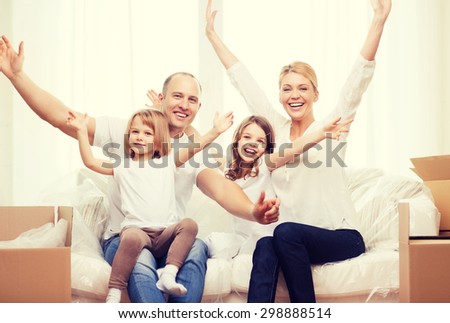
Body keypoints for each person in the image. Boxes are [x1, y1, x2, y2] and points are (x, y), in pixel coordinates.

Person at [0, 35, 280, 303]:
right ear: (162, 97)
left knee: (196, 249)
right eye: (177, 96)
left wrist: (254, 212)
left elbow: (221, 189)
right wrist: (17, 76)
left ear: (198, 107)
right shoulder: (132, 132)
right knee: (141, 262)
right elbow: (63, 118)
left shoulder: (192, 150)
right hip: (127, 237)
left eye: (192, 100)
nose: (183, 105)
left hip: (167, 237)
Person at [205, 0, 391, 302]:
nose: (295, 95)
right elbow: (244, 82)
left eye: (303, 88)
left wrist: (378, 21)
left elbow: (358, 81)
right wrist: (212, 36)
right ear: (279, 95)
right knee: (267, 243)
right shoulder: (274, 132)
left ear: (315, 94)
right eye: (287, 88)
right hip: (289, 238)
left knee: (284, 232)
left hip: (340, 236)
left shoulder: (332, 128)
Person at [66, 107, 233, 302]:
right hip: (137, 232)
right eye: (135, 132)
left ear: (158, 140)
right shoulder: (122, 165)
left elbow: (196, 146)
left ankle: (169, 274)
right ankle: (115, 290)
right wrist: (81, 131)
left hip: (164, 235)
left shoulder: (167, 161)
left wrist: (217, 130)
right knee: (130, 238)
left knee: (189, 225)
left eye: (147, 134)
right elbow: (91, 162)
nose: (139, 137)